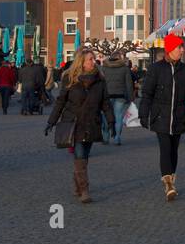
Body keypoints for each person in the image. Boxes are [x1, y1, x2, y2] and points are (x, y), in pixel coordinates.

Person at [139, 33, 185, 201]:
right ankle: (168, 183)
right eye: (179, 47)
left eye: (182, 47)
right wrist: (144, 114)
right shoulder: (156, 69)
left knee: (173, 150)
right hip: (161, 116)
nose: (182, 50)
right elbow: (147, 93)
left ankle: (171, 176)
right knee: (165, 148)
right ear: (170, 49)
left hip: (178, 116)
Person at [45, 47, 114, 204]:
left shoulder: (100, 80)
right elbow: (61, 101)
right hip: (74, 122)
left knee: (85, 156)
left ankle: (78, 183)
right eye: (90, 59)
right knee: (79, 154)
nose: (93, 61)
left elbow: (105, 102)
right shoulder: (69, 79)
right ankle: (84, 190)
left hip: (91, 122)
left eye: (93, 59)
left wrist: (111, 121)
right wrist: (51, 121)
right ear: (81, 63)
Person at [100, 51, 135, 146]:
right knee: (118, 117)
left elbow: (101, 83)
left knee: (106, 116)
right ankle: (117, 138)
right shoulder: (125, 68)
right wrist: (131, 97)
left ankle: (106, 136)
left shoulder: (104, 68)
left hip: (107, 96)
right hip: (120, 95)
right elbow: (129, 84)